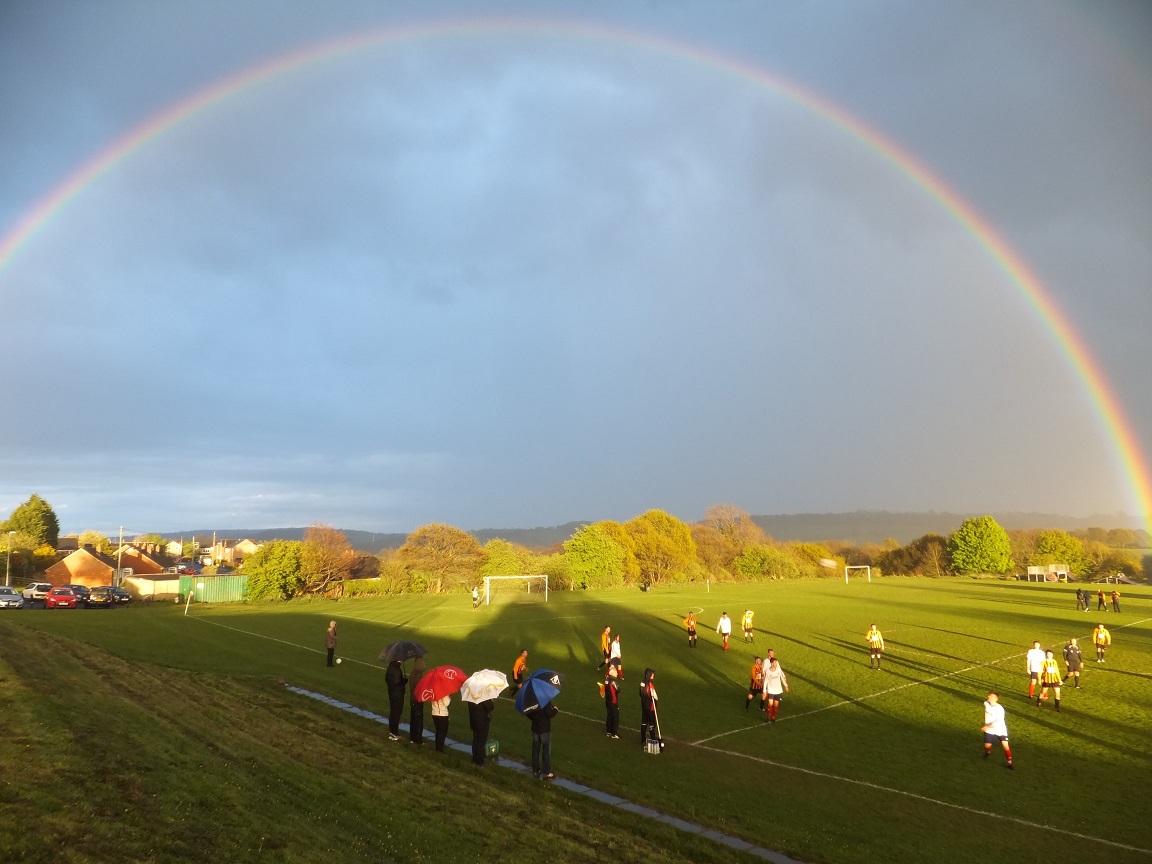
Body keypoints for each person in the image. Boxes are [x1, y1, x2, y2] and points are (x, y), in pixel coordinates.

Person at [981, 691, 1013, 769]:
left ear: (996, 699)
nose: (989, 697)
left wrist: (987, 727)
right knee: (987, 745)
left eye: (991, 696)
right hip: (990, 731)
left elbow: (998, 721)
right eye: (989, 695)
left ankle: (1010, 763)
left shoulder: (1000, 709)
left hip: (1000, 729)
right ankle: (988, 752)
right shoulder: (986, 703)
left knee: (1005, 746)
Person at [528, 702, 559, 779]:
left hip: (535, 727)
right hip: (544, 729)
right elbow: (549, 714)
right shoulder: (545, 700)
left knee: (535, 749)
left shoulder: (531, 699)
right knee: (546, 750)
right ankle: (547, 772)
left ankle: (535, 770)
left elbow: (528, 712)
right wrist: (555, 710)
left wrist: (535, 719)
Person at [639, 668, 662, 750]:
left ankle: (642, 739)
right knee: (652, 723)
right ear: (649, 675)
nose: (653, 675)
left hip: (644, 705)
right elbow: (655, 697)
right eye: (652, 674)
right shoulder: (650, 684)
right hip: (650, 707)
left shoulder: (642, 682)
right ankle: (653, 739)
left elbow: (640, 693)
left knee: (644, 722)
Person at [385, 659, 407, 741]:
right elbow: (397, 682)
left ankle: (392, 731)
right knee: (396, 714)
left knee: (393, 712)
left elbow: (387, 680)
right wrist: (404, 681)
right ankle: (395, 733)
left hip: (391, 693)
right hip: (398, 694)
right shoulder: (397, 669)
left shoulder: (390, 667)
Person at [467, 698, 494, 766]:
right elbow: (490, 707)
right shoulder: (483, 697)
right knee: (481, 741)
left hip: (474, 721)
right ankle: (479, 760)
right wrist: (491, 700)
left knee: (476, 740)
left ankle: (475, 757)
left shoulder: (471, 697)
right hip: (482, 722)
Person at [761, 657, 789, 722]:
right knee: (770, 704)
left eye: (776, 662)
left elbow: (782, 678)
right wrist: (764, 691)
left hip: (778, 690)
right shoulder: (767, 671)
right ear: (771, 663)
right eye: (775, 662)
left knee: (775, 705)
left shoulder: (779, 670)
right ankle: (768, 717)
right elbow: (766, 681)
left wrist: (786, 685)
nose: (776, 663)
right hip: (771, 690)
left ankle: (773, 717)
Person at [408, 656, 426, 745]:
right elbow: (419, 689)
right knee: (418, 720)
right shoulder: (418, 675)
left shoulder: (413, 673)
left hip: (413, 699)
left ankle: (412, 738)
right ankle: (417, 740)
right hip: (417, 700)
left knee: (414, 719)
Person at [604, 664, 620, 738]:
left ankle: (608, 731)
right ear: (612, 673)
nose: (617, 673)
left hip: (607, 701)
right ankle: (614, 733)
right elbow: (618, 690)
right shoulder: (613, 681)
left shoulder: (606, 680)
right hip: (613, 701)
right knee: (615, 717)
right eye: (616, 672)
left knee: (609, 715)